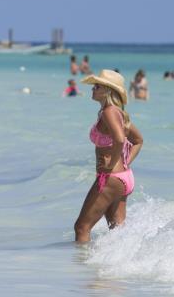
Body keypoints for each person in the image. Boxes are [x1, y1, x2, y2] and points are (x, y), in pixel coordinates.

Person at [74, 69, 144, 242]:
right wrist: (125, 162)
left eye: (97, 86)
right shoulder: (118, 113)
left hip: (111, 177)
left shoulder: (109, 113)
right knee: (117, 231)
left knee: (82, 227)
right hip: (123, 177)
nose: (93, 89)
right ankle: (120, 265)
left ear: (107, 90)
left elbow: (120, 139)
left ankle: (79, 267)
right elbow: (138, 140)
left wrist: (112, 163)